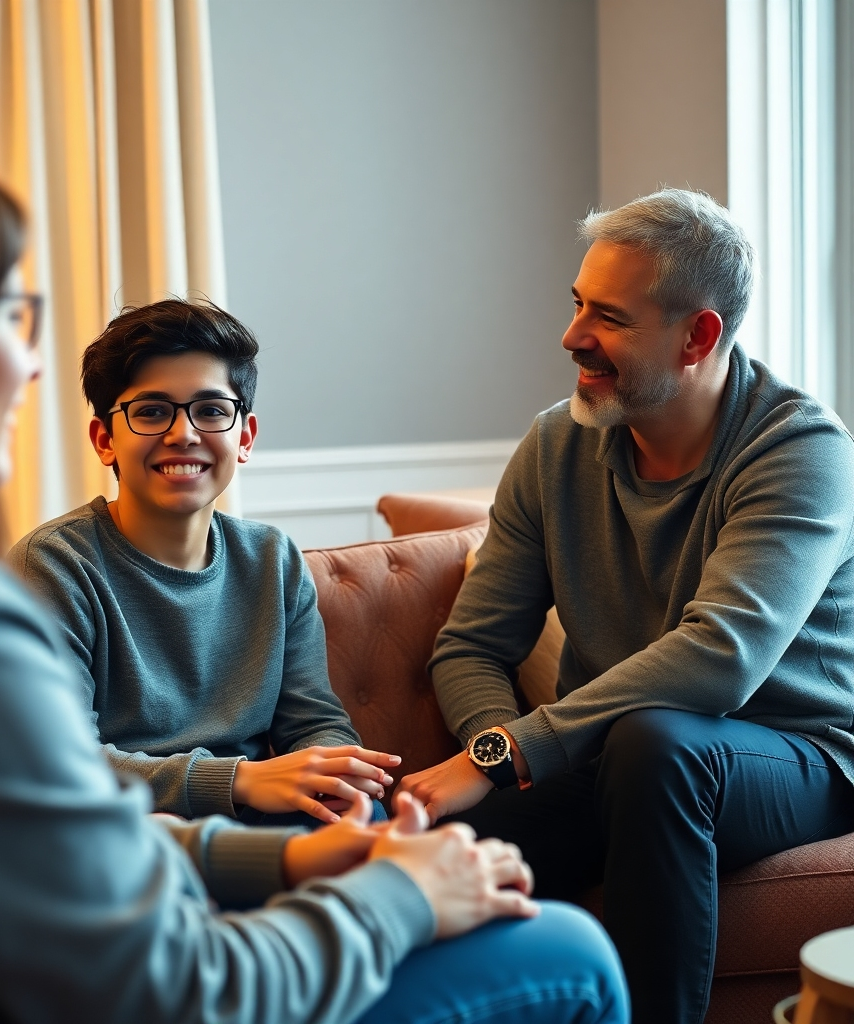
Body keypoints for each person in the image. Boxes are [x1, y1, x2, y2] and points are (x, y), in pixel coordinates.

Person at [0, 127, 629, 1024]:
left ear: (245, 434)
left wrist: (307, 845)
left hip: (214, 858)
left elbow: (69, 839)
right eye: (4, 315)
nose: (27, 360)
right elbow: (169, 974)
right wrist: (389, 892)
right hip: (177, 958)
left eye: (210, 411)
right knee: (571, 949)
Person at [396, 187, 854, 1024]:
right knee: (416, 871)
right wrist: (502, 753)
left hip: (803, 757)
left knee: (656, 742)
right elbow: (470, 647)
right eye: (577, 304)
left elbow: (719, 659)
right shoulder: (555, 445)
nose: (572, 336)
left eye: (607, 317)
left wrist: (508, 759)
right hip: (616, 754)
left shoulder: (801, 451)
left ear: (698, 336)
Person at [9, 301, 391, 826]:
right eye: (151, 411)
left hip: (271, 817)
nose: (183, 433)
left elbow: (314, 723)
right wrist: (241, 780)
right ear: (105, 440)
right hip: (136, 828)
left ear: (245, 437)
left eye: (211, 410)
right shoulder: (53, 566)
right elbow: (60, 758)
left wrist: (337, 776)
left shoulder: (273, 560)